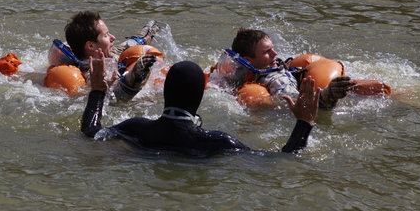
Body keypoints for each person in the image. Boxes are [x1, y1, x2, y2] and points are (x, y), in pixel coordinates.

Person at [81, 59, 321, 157]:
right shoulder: (218, 143)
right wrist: (304, 122)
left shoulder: (136, 128)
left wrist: (98, 90)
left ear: (166, 92)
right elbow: (281, 160)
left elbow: (91, 131)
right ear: (199, 96)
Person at [211, 28, 353, 110]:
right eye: (267, 52)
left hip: (312, 86)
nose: (275, 54)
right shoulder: (231, 71)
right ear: (247, 60)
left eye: (273, 49)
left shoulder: (276, 79)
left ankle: (328, 94)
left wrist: (325, 96)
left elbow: (293, 101)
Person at [50, 11, 160, 101]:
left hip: (114, 55)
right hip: (124, 86)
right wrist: (136, 74)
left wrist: (149, 31)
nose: (113, 37)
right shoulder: (91, 74)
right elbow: (115, 96)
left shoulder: (111, 51)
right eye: (106, 35)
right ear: (91, 45)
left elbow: (133, 42)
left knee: (138, 41)